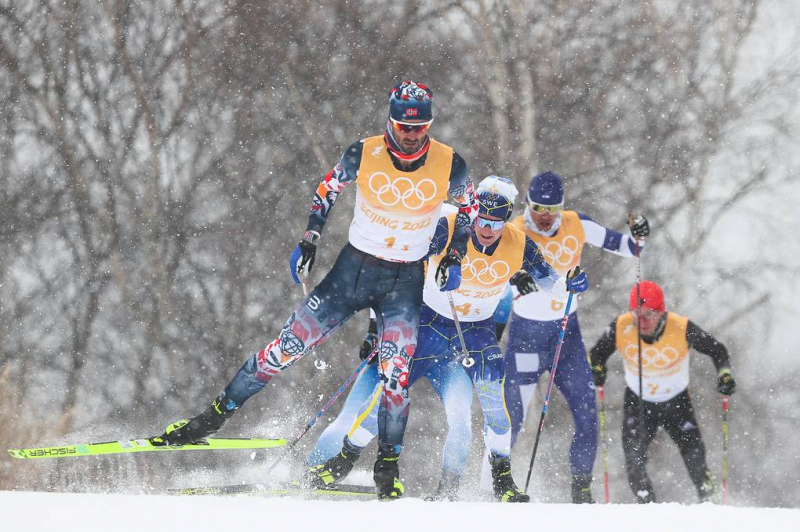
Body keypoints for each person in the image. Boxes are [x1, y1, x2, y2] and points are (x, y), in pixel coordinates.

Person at [151, 80, 478, 500]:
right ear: (390, 121)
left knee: (395, 377)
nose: (411, 135)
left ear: (429, 125)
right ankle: (207, 421)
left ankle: (387, 468)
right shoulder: (364, 152)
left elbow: (468, 210)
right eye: (403, 127)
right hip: (353, 271)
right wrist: (310, 238)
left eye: (419, 128)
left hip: (404, 281)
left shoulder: (451, 163)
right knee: (286, 347)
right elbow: (327, 191)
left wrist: (455, 255)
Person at [303, 176, 589, 502]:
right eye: (481, 218)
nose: (486, 228)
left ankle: (495, 483)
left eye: (495, 222)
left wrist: (573, 281)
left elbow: (554, 283)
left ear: (507, 219)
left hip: (476, 331)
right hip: (429, 324)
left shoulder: (520, 244)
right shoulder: (451, 226)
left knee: (493, 404)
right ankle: (342, 461)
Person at [486, 170, 650, 503]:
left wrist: (639, 235)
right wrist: (512, 285)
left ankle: (581, 492)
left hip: (566, 337)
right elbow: (486, 276)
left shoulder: (578, 224)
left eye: (552, 209)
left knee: (588, 414)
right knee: (510, 418)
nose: (544, 217)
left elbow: (628, 248)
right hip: (525, 338)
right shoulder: (513, 231)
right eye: (537, 209)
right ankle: (490, 486)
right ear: (528, 204)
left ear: (561, 206)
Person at [589, 280, 736, 503]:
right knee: (633, 460)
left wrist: (725, 375)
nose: (642, 320)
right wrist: (598, 370)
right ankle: (648, 506)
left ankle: (709, 498)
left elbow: (718, 350)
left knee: (694, 456)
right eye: (636, 314)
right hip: (639, 401)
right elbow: (597, 354)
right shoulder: (621, 326)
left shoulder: (682, 327)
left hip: (676, 400)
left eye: (649, 314)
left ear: (661, 312)